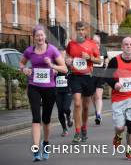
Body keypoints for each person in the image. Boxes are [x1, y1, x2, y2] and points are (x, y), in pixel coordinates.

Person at [19, 25, 67, 161]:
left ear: (45, 36)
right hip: (34, 86)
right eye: (37, 36)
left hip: (49, 88)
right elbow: (21, 64)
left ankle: (45, 143)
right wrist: (24, 70)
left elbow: (64, 69)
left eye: (42, 35)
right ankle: (35, 150)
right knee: (35, 118)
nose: (40, 38)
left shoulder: (52, 50)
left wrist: (52, 65)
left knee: (46, 120)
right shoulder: (29, 51)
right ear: (34, 37)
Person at [105, 37, 131, 160]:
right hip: (118, 99)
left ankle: (130, 151)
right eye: (126, 44)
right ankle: (118, 136)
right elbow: (107, 76)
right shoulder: (114, 61)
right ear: (122, 47)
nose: (128, 46)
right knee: (120, 127)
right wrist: (114, 84)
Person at [66, 21, 100, 143]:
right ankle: (77, 132)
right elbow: (67, 57)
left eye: (82, 29)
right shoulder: (71, 44)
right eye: (78, 29)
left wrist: (89, 58)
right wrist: (68, 61)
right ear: (75, 30)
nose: (80, 32)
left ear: (86, 31)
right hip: (75, 77)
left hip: (88, 77)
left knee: (85, 107)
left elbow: (99, 60)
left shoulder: (91, 44)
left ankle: (84, 128)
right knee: (77, 104)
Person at [55, 47, 73, 137]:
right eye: (60, 55)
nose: (62, 57)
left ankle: (69, 116)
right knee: (60, 112)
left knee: (66, 108)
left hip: (68, 90)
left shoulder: (69, 64)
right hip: (58, 91)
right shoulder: (54, 65)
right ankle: (64, 129)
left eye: (63, 55)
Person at [91, 33, 109, 125]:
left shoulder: (103, 49)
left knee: (98, 95)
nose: (96, 44)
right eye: (94, 42)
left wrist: (106, 63)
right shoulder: (89, 49)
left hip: (100, 75)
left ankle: (98, 114)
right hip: (90, 75)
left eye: (98, 43)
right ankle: (97, 110)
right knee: (93, 97)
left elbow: (106, 58)